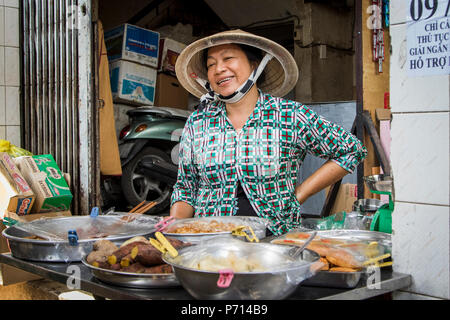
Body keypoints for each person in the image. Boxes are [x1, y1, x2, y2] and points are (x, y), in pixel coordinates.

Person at [169, 30, 367, 236]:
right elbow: (186, 187)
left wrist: (299, 194)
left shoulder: (289, 115)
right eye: (211, 64)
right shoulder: (198, 122)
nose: (219, 69)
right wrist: (173, 229)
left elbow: (351, 150)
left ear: (254, 65)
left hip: (276, 241)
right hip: (211, 242)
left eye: (228, 58)